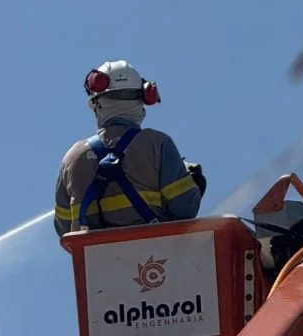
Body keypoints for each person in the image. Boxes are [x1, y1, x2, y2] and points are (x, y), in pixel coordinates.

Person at [54, 60, 206, 237]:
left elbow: (64, 229)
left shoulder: (73, 157)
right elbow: (185, 209)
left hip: (98, 262)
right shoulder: (157, 144)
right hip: (159, 259)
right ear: (142, 102)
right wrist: (192, 182)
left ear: (97, 104)